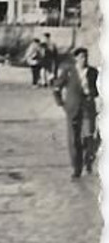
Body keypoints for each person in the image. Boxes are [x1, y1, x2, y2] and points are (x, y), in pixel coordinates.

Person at [51, 48, 98, 178]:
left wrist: (93, 93)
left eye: (86, 56)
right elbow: (56, 87)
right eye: (82, 57)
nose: (84, 59)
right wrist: (61, 103)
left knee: (88, 136)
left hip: (88, 108)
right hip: (72, 108)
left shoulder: (93, 72)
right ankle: (76, 167)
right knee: (74, 139)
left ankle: (88, 159)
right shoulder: (69, 71)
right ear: (76, 58)